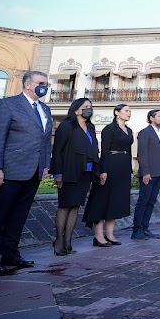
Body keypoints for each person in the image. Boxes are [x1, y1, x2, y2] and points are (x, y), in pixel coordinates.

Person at [0, 70, 52, 275]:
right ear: (28, 85)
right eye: (41, 83)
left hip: (33, 172)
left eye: (46, 83)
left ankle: (10, 254)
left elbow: (45, 141)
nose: (44, 87)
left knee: (18, 217)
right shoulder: (8, 104)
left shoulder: (44, 109)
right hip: (9, 171)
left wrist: (45, 165)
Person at [50, 98, 99, 254]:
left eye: (90, 107)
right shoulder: (67, 126)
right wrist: (58, 173)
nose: (89, 109)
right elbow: (57, 150)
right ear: (77, 110)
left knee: (75, 207)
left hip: (86, 173)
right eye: (85, 107)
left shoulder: (90, 128)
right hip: (69, 171)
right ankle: (58, 241)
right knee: (65, 206)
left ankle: (68, 241)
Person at [84, 104, 133, 246]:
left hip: (123, 167)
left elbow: (129, 152)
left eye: (130, 111)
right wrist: (103, 170)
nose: (129, 113)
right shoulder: (109, 129)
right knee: (103, 199)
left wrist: (130, 170)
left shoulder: (129, 130)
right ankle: (98, 236)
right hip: (110, 165)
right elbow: (104, 150)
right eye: (126, 111)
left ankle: (110, 234)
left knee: (116, 201)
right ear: (117, 113)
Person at [131, 110, 160, 240]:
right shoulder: (144, 133)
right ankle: (137, 230)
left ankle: (145, 228)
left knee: (151, 202)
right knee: (143, 201)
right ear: (152, 118)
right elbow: (142, 154)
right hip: (149, 174)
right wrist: (145, 172)